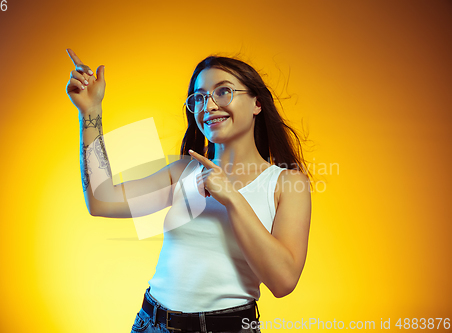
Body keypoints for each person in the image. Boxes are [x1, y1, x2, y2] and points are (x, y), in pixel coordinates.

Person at [65, 49, 312, 333]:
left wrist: (231, 197)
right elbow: (101, 200)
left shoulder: (286, 183)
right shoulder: (183, 172)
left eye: (223, 92)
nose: (208, 106)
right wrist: (90, 112)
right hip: (152, 324)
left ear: (257, 103)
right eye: (199, 98)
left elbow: (283, 282)